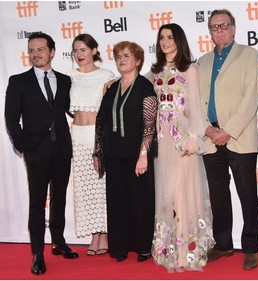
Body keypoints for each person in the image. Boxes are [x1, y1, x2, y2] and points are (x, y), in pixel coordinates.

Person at [4, 32, 79, 276]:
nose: (36, 54)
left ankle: (58, 242)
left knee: (59, 198)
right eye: (32, 50)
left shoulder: (66, 80)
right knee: (37, 204)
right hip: (36, 150)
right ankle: (37, 253)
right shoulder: (18, 81)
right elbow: (11, 118)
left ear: (52, 52)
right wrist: (23, 145)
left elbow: (69, 110)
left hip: (62, 149)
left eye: (40, 50)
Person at [147, 23, 214, 272]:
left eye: (170, 37)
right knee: (168, 194)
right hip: (162, 142)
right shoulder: (154, 73)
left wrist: (195, 139)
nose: (165, 42)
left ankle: (187, 252)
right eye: (162, 37)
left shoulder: (190, 69)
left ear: (179, 41)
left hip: (183, 141)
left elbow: (196, 108)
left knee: (183, 193)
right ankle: (170, 249)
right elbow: (138, 91)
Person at [197, 9, 258, 270]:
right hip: (210, 138)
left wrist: (228, 130)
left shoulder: (248, 55)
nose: (219, 30)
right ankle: (223, 244)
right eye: (214, 27)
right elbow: (195, 102)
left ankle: (251, 247)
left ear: (234, 28)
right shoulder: (201, 61)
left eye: (224, 25)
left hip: (239, 137)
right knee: (218, 195)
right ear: (210, 32)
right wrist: (208, 129)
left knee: (247, 194)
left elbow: (251, 97)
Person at [93, 41, 157, 263]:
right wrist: (98, 152)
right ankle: (119, 247)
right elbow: (100, 121)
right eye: (118, 56)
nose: (122, 59)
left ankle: (143, 248)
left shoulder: (145, 87)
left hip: (136, 155)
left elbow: (150, 126)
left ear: (138, 60)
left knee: (140, 201)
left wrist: (143, 155)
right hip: (113, 154)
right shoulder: (111, 88)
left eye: (127, 56)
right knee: (117, 201)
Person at [67, 34, 116, 256]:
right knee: (84, 189)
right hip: (76, 137)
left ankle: (104, 234)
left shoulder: (107, 76)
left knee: (101, 188)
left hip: (98, 136)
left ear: (95, 50)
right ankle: (93, 235)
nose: (79, 55)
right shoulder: (68, 77)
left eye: (84, 50)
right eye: (76, 51)